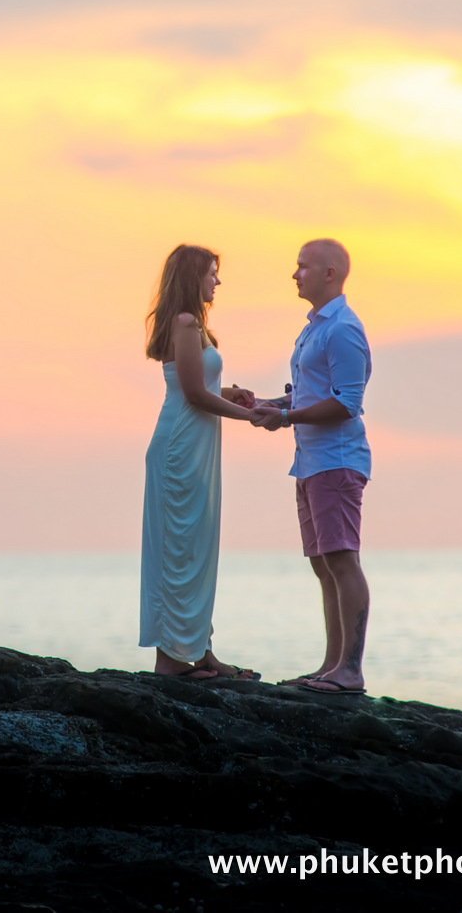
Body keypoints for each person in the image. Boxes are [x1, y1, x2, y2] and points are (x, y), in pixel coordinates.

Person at [250, 239, 372, 694]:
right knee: (324, 565)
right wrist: (268, 403)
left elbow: (347, 402)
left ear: (330, 273)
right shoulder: (315, 328)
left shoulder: (342, 328)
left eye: (302, 266)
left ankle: (351, 671)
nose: (294, 274)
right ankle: (331, 665)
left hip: (336, 463)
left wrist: (285, 417)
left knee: (342, 561)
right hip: (310, 463)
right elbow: (309, 395)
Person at [139, 244, 261, 680]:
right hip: (181, 447)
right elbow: (192, 394)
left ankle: (200, 650)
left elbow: (201, 387)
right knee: (179, 547)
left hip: (197, 444)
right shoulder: (186, 323)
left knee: (197, 546)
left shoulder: (196, 327)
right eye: (212, 273)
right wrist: (252, 416)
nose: (218, 281)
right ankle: (171, 658)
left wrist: (233, 395)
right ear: (194, 277)